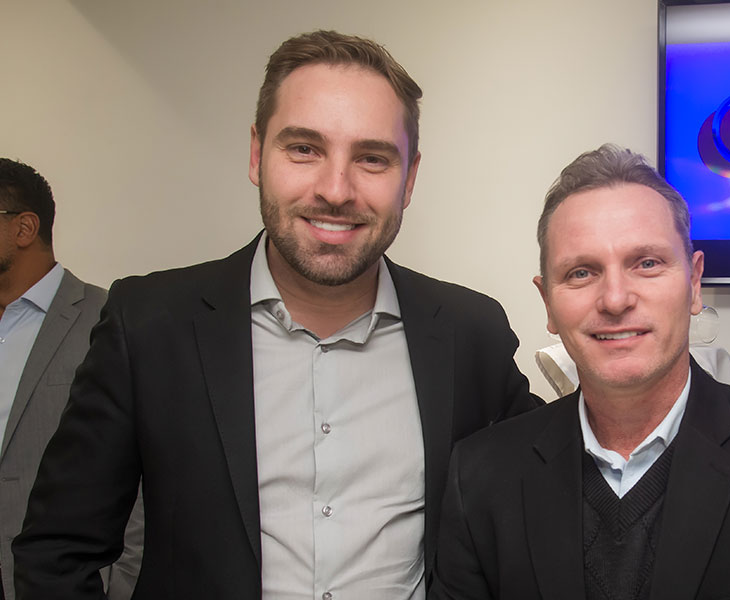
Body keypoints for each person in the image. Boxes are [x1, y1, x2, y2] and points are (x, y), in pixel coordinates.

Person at [13, 31, 538, 600]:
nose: (336, 190)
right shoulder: (148, 325)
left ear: (408, 179)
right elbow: (57, 554)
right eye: (305, 149)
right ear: (256, 154)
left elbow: (550, 488)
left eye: (372, 158)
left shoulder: (470, 334)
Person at [431, 144, 730, 600]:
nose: (615, 299)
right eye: (581, 273)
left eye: (647, 263)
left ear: (694, 283)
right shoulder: (480, 477)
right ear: (548, 302)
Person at [0, 158, 143, 600]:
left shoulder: (111, 320)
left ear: (25, 228)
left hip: (51, 585)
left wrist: (116, 586)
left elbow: (145, 482)